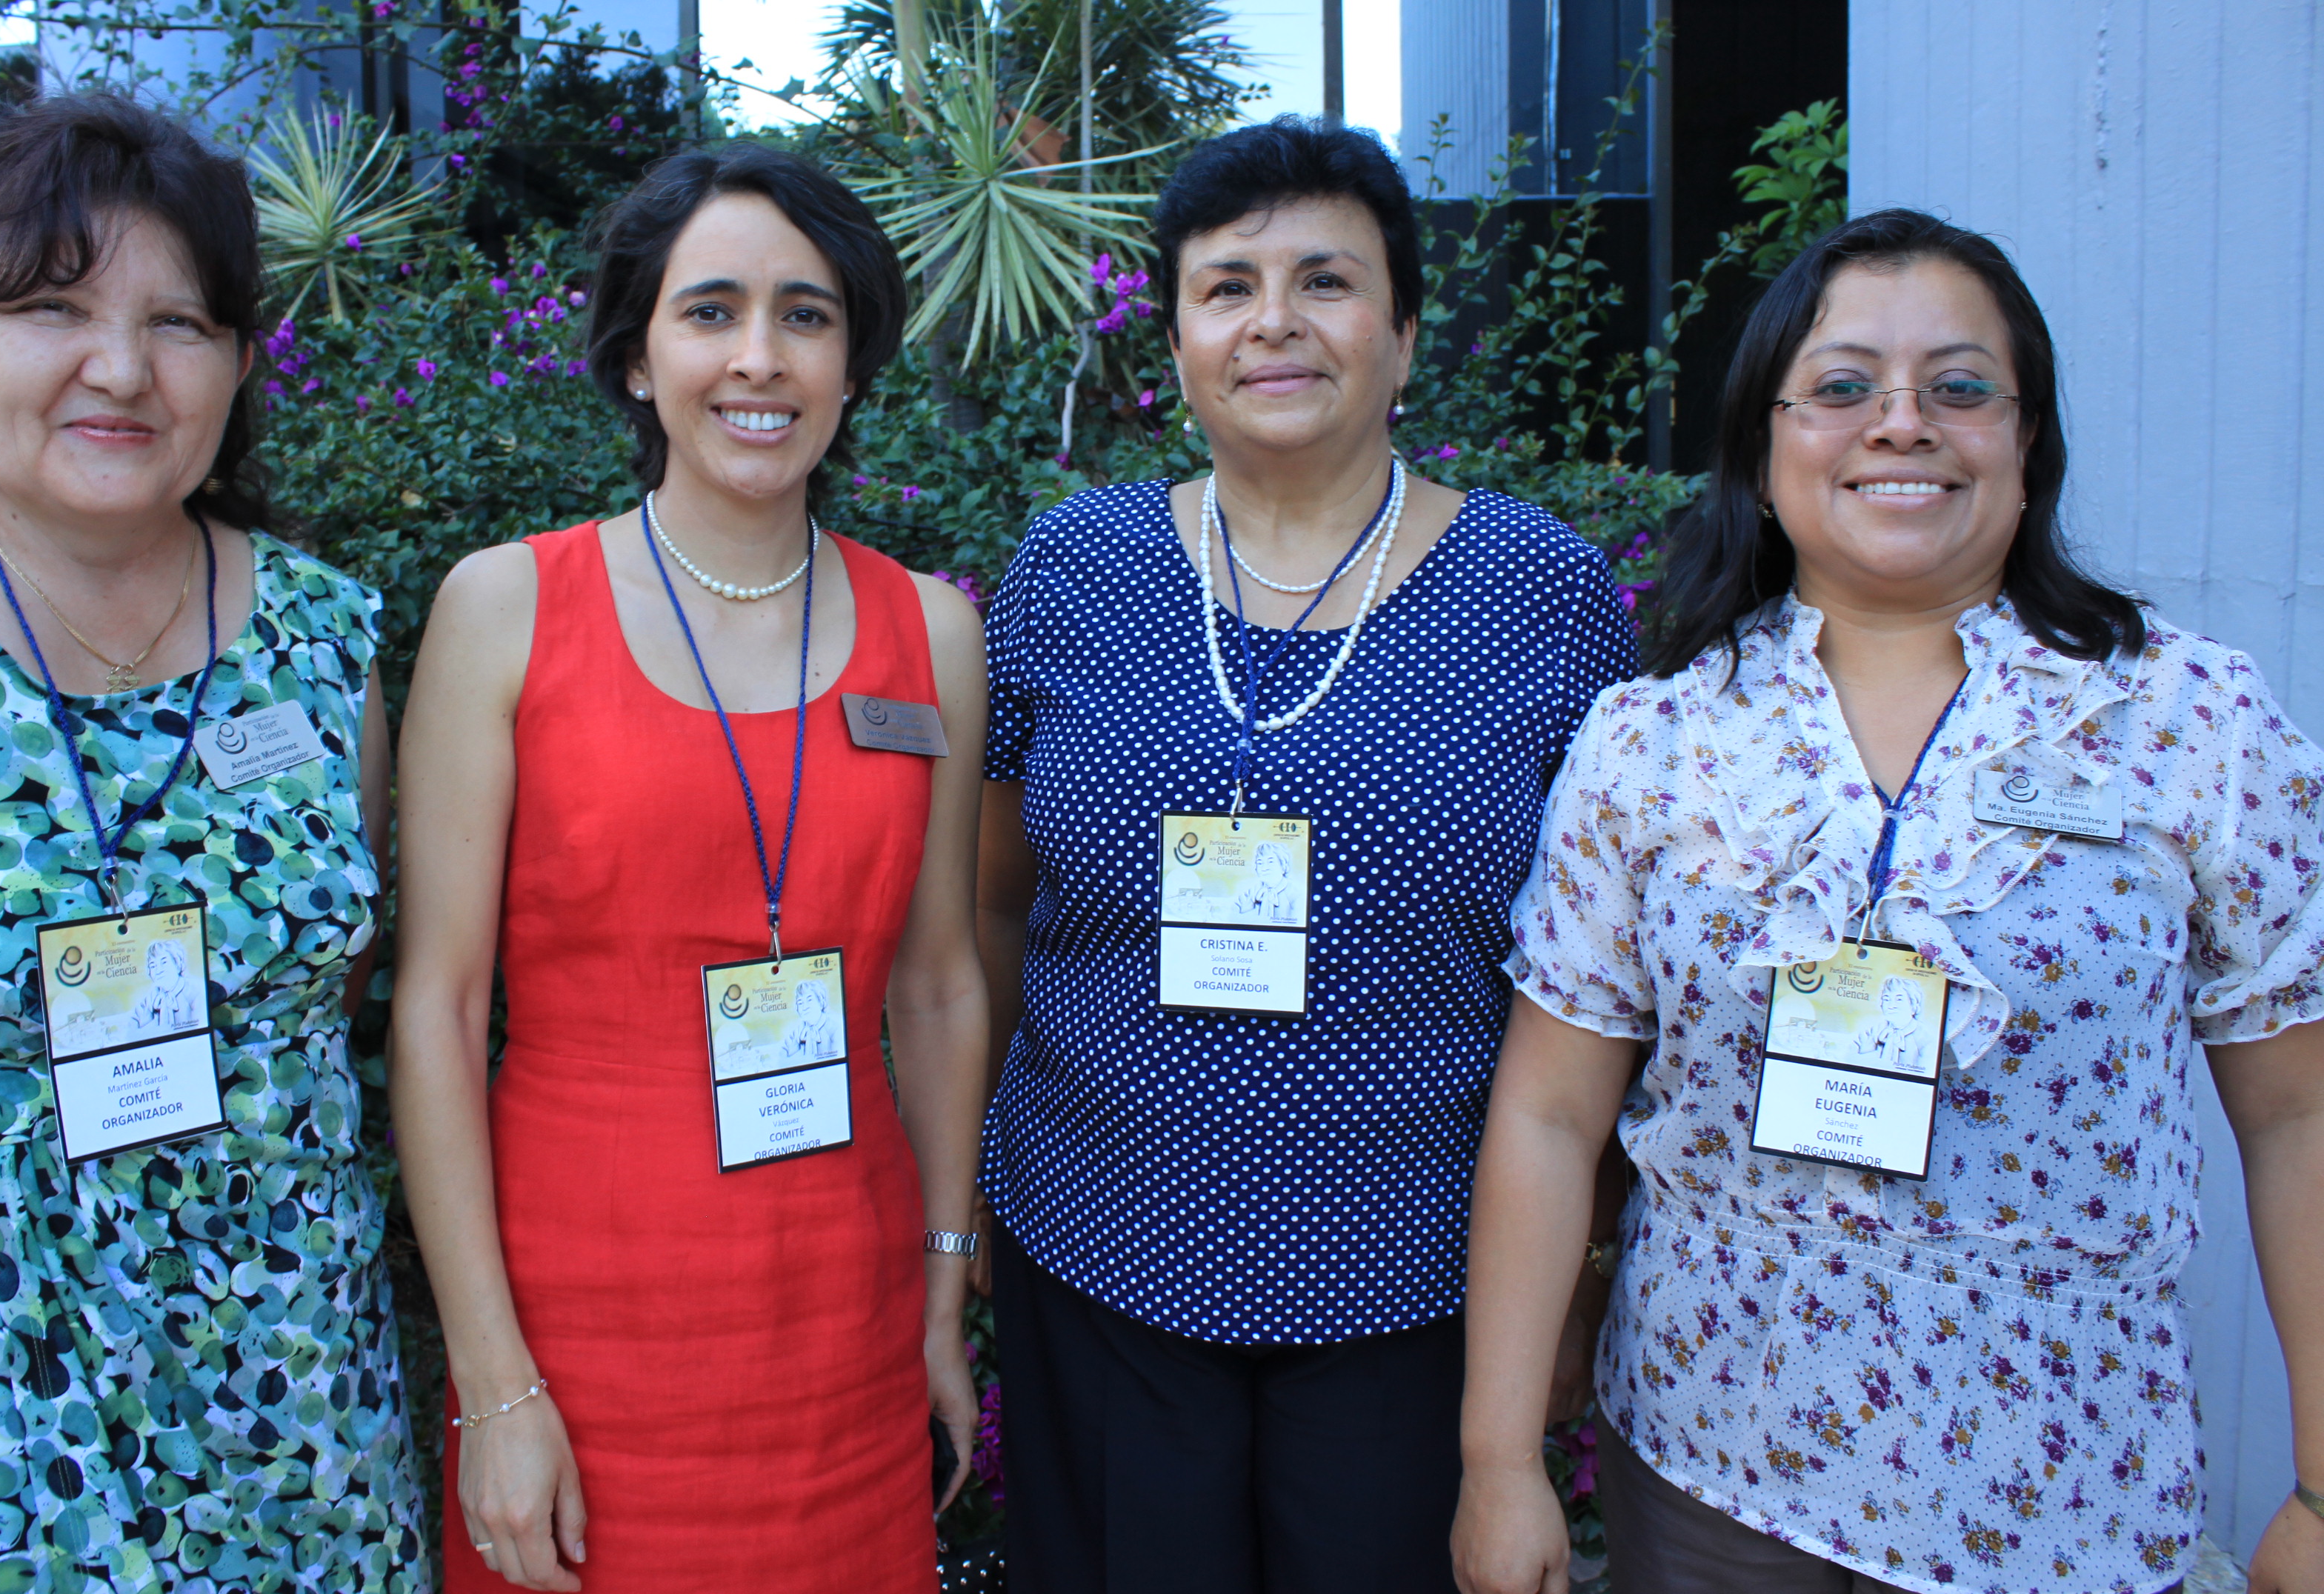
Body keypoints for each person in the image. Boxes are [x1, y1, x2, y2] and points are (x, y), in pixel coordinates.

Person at [1453, 209, 2324, 1594]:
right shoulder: (1652, 740)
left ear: (2029, 444)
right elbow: (1552, 1114)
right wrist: (1499, 1462)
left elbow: (2297, 1117)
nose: (1903, 422)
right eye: (1845, 386)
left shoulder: (2190, 723)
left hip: (2070, 1494)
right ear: (1763, 449)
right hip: (1715, 1481)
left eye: (1960, 387)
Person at [0, 93, 425, 1589]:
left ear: (238, 363)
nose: (121, 369)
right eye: (50, 307)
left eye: (178, 323)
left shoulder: (319, 638)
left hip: (302, 1419)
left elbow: (326, 996)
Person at [974, 115, 1636, 1590]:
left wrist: (1581, 1269)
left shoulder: (1544, 593)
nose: (1273, 320)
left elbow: (1602, 988)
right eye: (1227, 287)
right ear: (1177, 346)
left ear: (1404, 337)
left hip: (1417, 1276)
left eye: (1326, 281)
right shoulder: (1073, 569)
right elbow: (996, 906)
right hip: (1098, 1245)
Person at [391, 143, 988, 1593]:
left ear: (851, 365)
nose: (759, 357)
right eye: (710, 311)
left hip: (845, 1327)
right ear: (636, 357)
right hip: (576, 1333)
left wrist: (942, 1289)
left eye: (806, 315)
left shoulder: (932, 634)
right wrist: (495, 1384)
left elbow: (937, 988)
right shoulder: (506, 608)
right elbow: (438, 1010)